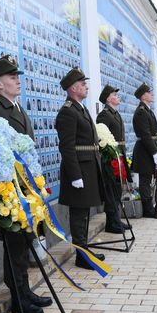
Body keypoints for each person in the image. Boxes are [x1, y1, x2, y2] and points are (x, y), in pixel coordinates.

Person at [0, 54, 51, 313]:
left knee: (24, 243)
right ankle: (18, 298)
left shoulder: (17, 107)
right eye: (12, 77)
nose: (18, 80)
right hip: (9, 190)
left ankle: (26, 291)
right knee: (14, 246)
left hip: (26, 187)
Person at [55, 68, 106, 270]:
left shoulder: (80, 109)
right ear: (74, 88)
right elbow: (66, 147)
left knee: (84, 213)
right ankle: (82, 255)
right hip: (79, 170)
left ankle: (83, 251)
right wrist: (75, 175)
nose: (86, 87)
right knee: (79, 214)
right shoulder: (68, 112)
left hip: (88, 167)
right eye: (83, 84)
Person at [96, 84, 129, 234]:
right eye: (115, 95)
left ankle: (115, 219)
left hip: (119, 154)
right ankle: (112, 222)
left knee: (117, 190)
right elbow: (102, 137)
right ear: (108, 99)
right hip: (110, 158)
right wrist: (110, 156)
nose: (117, 97)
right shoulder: (104, 115)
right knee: (111, 190)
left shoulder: (115, 113)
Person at [132, 83, 157, 219]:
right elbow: (145, 135)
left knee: (148, 179)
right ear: (143, 95)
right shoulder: (141, 112)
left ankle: (150, 207)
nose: (151, 94)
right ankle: (148, 209)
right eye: (149, 92)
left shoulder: (147, 110)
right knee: (145, 180)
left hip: (148, 150)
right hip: (144, 151)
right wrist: (154, 152)